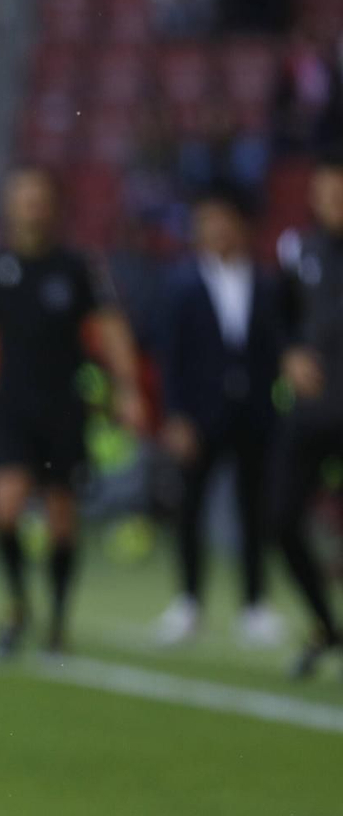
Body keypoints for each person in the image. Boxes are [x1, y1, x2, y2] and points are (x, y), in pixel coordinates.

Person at [0, 166, 145, 658]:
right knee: (4, 508)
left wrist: (128, 388)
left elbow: (112, 328)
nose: (31, 207)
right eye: (23, 198)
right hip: (10, 408)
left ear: (52, 206)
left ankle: (58, 620)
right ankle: (17, 604)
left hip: (63, 408)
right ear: (10, 206)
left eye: (39, 198)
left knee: (61, 519)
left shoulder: (77, 269)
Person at [152, 186, 287, 648]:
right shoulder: (180, 285)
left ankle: (254, 604)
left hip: (254, 413)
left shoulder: (268, 283)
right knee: (191, 509)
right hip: (199, 415)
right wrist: (175, 416)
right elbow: (170, 357)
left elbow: (278, 350)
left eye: (226, 219)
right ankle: (189, 601)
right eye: (210, 220)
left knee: (254, 511)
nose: (219, 229)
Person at [275, 155, 343, 678]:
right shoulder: (302, 253)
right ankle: (325, 624)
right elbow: (278, 318)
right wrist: (290, 352)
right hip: (315, 412)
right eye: (328, 191)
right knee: (280, 518)